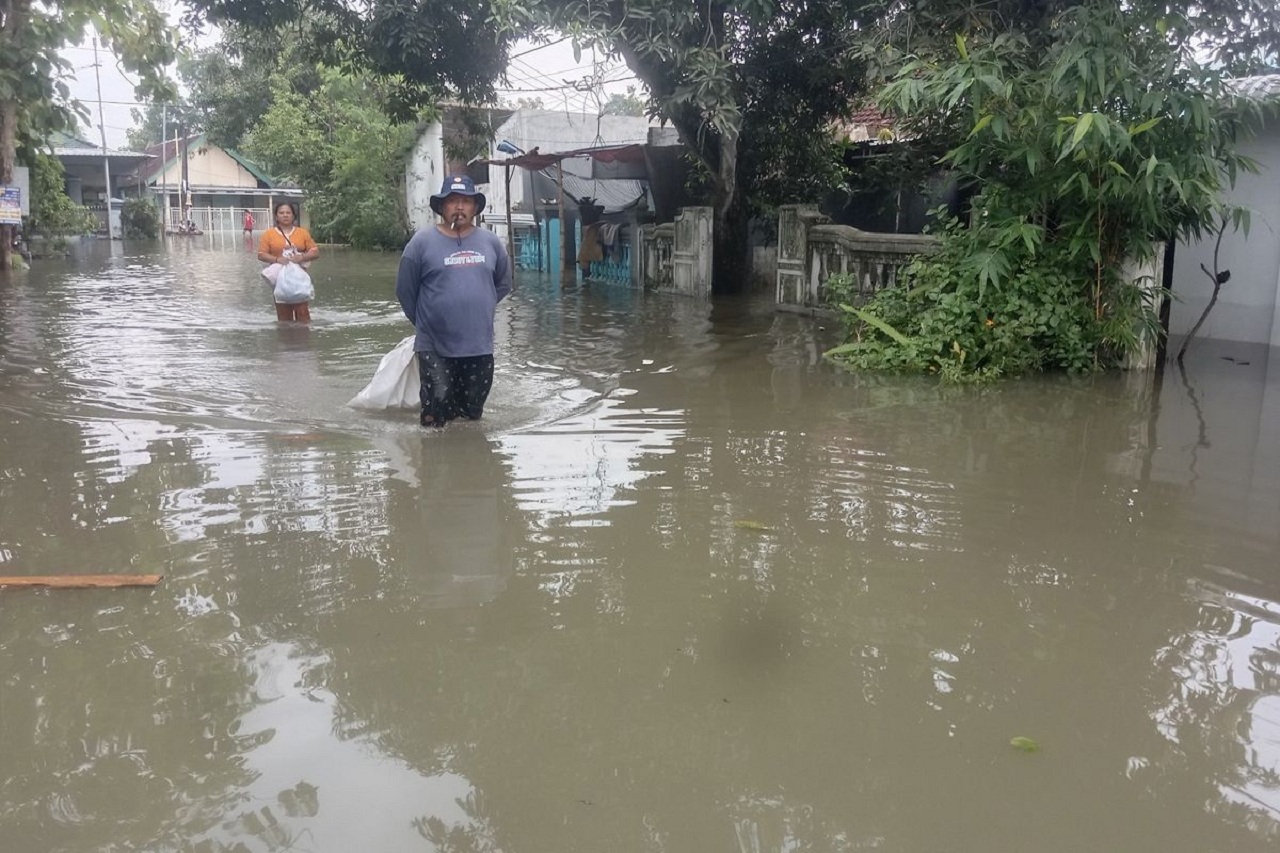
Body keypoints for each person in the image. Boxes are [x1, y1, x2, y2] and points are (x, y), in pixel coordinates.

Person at [395, 174, 512, 428]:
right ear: (441, 207)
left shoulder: (491, 243)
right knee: (436, 407)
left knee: (471, 414)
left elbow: (503, 285)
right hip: (435, 344)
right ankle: (433, 463)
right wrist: (427, 322)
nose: (459, 207)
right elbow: (405, 290)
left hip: (479, 345)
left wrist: (476, 310)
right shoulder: (420, 243)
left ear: (475, 207)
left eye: (466, 201)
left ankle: (467, 461)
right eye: (452, 201)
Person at [258, 202, 319, 322]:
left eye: (288, 212)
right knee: (283, 316)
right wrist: (277, 259)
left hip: (299, 279)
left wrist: (302, 257)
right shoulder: (268, 234)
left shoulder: (302, 233)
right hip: (280, 280)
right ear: (276, 216)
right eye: (281, 213)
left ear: (293, 215)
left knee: (303, 314)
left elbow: (315, 252)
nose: (285, 215)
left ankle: (303, 339)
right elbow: (261, 255)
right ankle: (286, 339)